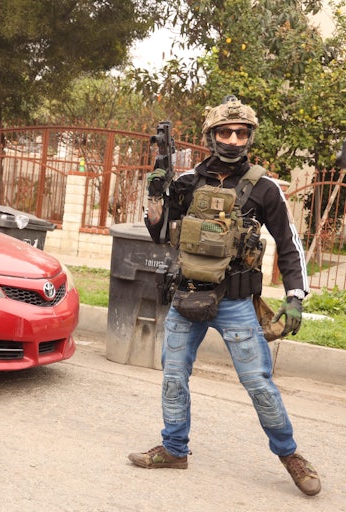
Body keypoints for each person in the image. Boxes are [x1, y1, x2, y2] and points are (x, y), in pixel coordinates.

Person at [128, 96, 321, 496]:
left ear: (249, 137)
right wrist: (154, 194)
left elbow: (289, 243)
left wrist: (295, 295)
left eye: (241, 132)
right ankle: (174, 448)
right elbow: (159, 234)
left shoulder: (264, 188)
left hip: (235, 303)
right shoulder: (187, 182)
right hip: (187, 297)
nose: (233, 139)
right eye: (224, 131)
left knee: (259, 384)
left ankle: (290, 456)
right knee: (173, 377)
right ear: (211, 136)